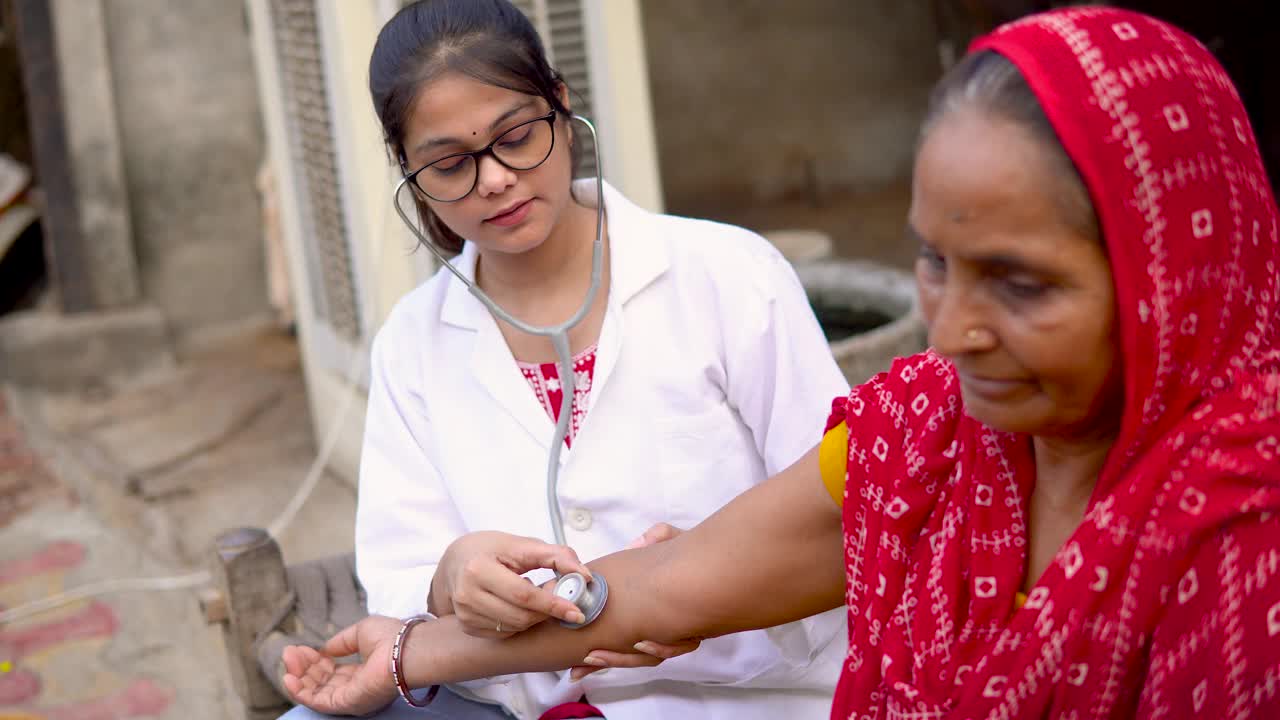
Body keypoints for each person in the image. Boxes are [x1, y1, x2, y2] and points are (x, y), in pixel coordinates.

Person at [280, 6, 1280, 719]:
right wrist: (415, 638)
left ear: (1176, 268)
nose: (949, 334)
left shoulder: (1243, 552)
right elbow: (670, 582)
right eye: (930, 261)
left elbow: (724, 594)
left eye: (1019, 284)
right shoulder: (920, 435)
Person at [279, 0, 852, 718]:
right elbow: (396, 573)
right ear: (409, 172)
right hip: (518, 699)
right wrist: (449, 579)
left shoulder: (730, 275)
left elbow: (841, 517)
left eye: (517, 136)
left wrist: (698, 584)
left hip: (741, 694)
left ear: (561, 106)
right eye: (450, 163)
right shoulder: (412, 342)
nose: (493, 179)